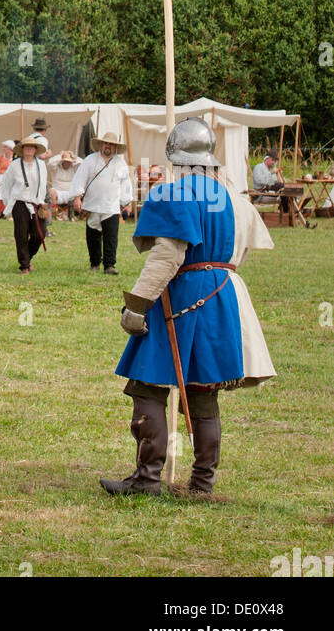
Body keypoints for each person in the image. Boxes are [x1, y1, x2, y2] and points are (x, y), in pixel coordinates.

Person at [101, 117, 275, 498]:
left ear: (176, 158)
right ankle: (202, 484)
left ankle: (147, 480)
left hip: (181, 296)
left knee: (147, 384)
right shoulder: (233, 198)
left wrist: (137, 305)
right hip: (221, 293)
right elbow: (238, 252)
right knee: (202, 390)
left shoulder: (176, 193)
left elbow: (167, 256)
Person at [72, 130, 132, 274]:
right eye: (106, 143)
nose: (108, 147)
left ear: (115, 147)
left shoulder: (120, 163)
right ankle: (94, 263)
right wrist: (77, 197)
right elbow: (80, 178)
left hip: (111, 205)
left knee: (111, 237)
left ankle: (109, 265)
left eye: (111, 144)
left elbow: (125, 183)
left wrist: (127, 202)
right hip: (92, 205)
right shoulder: (90, 160)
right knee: (92, 237)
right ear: (101, 144)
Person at [0, 134, 49, 274]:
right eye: (26, 147)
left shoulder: (41, 165)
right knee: (21, 235)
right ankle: (24, 266)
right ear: (22, 149)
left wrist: (42, 202)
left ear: (35, 149)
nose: (29, 149)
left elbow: (43, 184)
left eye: (32, 147)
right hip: (19, 203)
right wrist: (8, 203)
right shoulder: (14, 165)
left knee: (39, 234)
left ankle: (27, 257)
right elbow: (6, 186)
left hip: (36, 203)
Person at [48, 149, 79, 220]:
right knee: (51, 192)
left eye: (69, 162)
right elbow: (50, 163)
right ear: (62, 161)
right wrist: (60, 156)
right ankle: (54, 213)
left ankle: (68, 214)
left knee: (79, 192)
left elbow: (82, 164)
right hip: (57, 193)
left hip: (70, 193)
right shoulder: (55, 168)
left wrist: (74, 156)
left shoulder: (73, 168)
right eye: (65, 161)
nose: (67, 163)